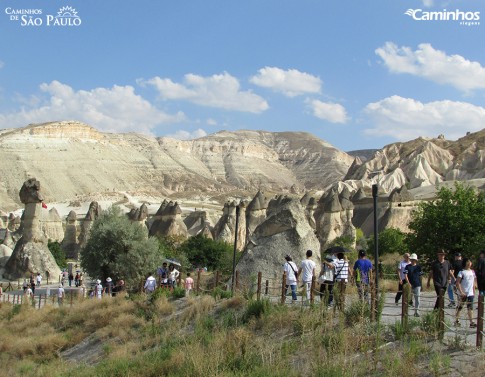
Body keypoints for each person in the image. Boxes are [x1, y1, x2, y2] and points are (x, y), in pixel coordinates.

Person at [455, 258, 477, 328]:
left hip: (470, 293)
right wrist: (461, 292)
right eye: (468, 262)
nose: (469, 263)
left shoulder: (472, 272)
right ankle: (457, 320)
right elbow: (457, 283)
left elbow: (473, 282)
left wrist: (473, 291)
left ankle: (471, 322)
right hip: (463, 293)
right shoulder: (461, 272)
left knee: (470, 308)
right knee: (460, 307)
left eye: (470, 262)